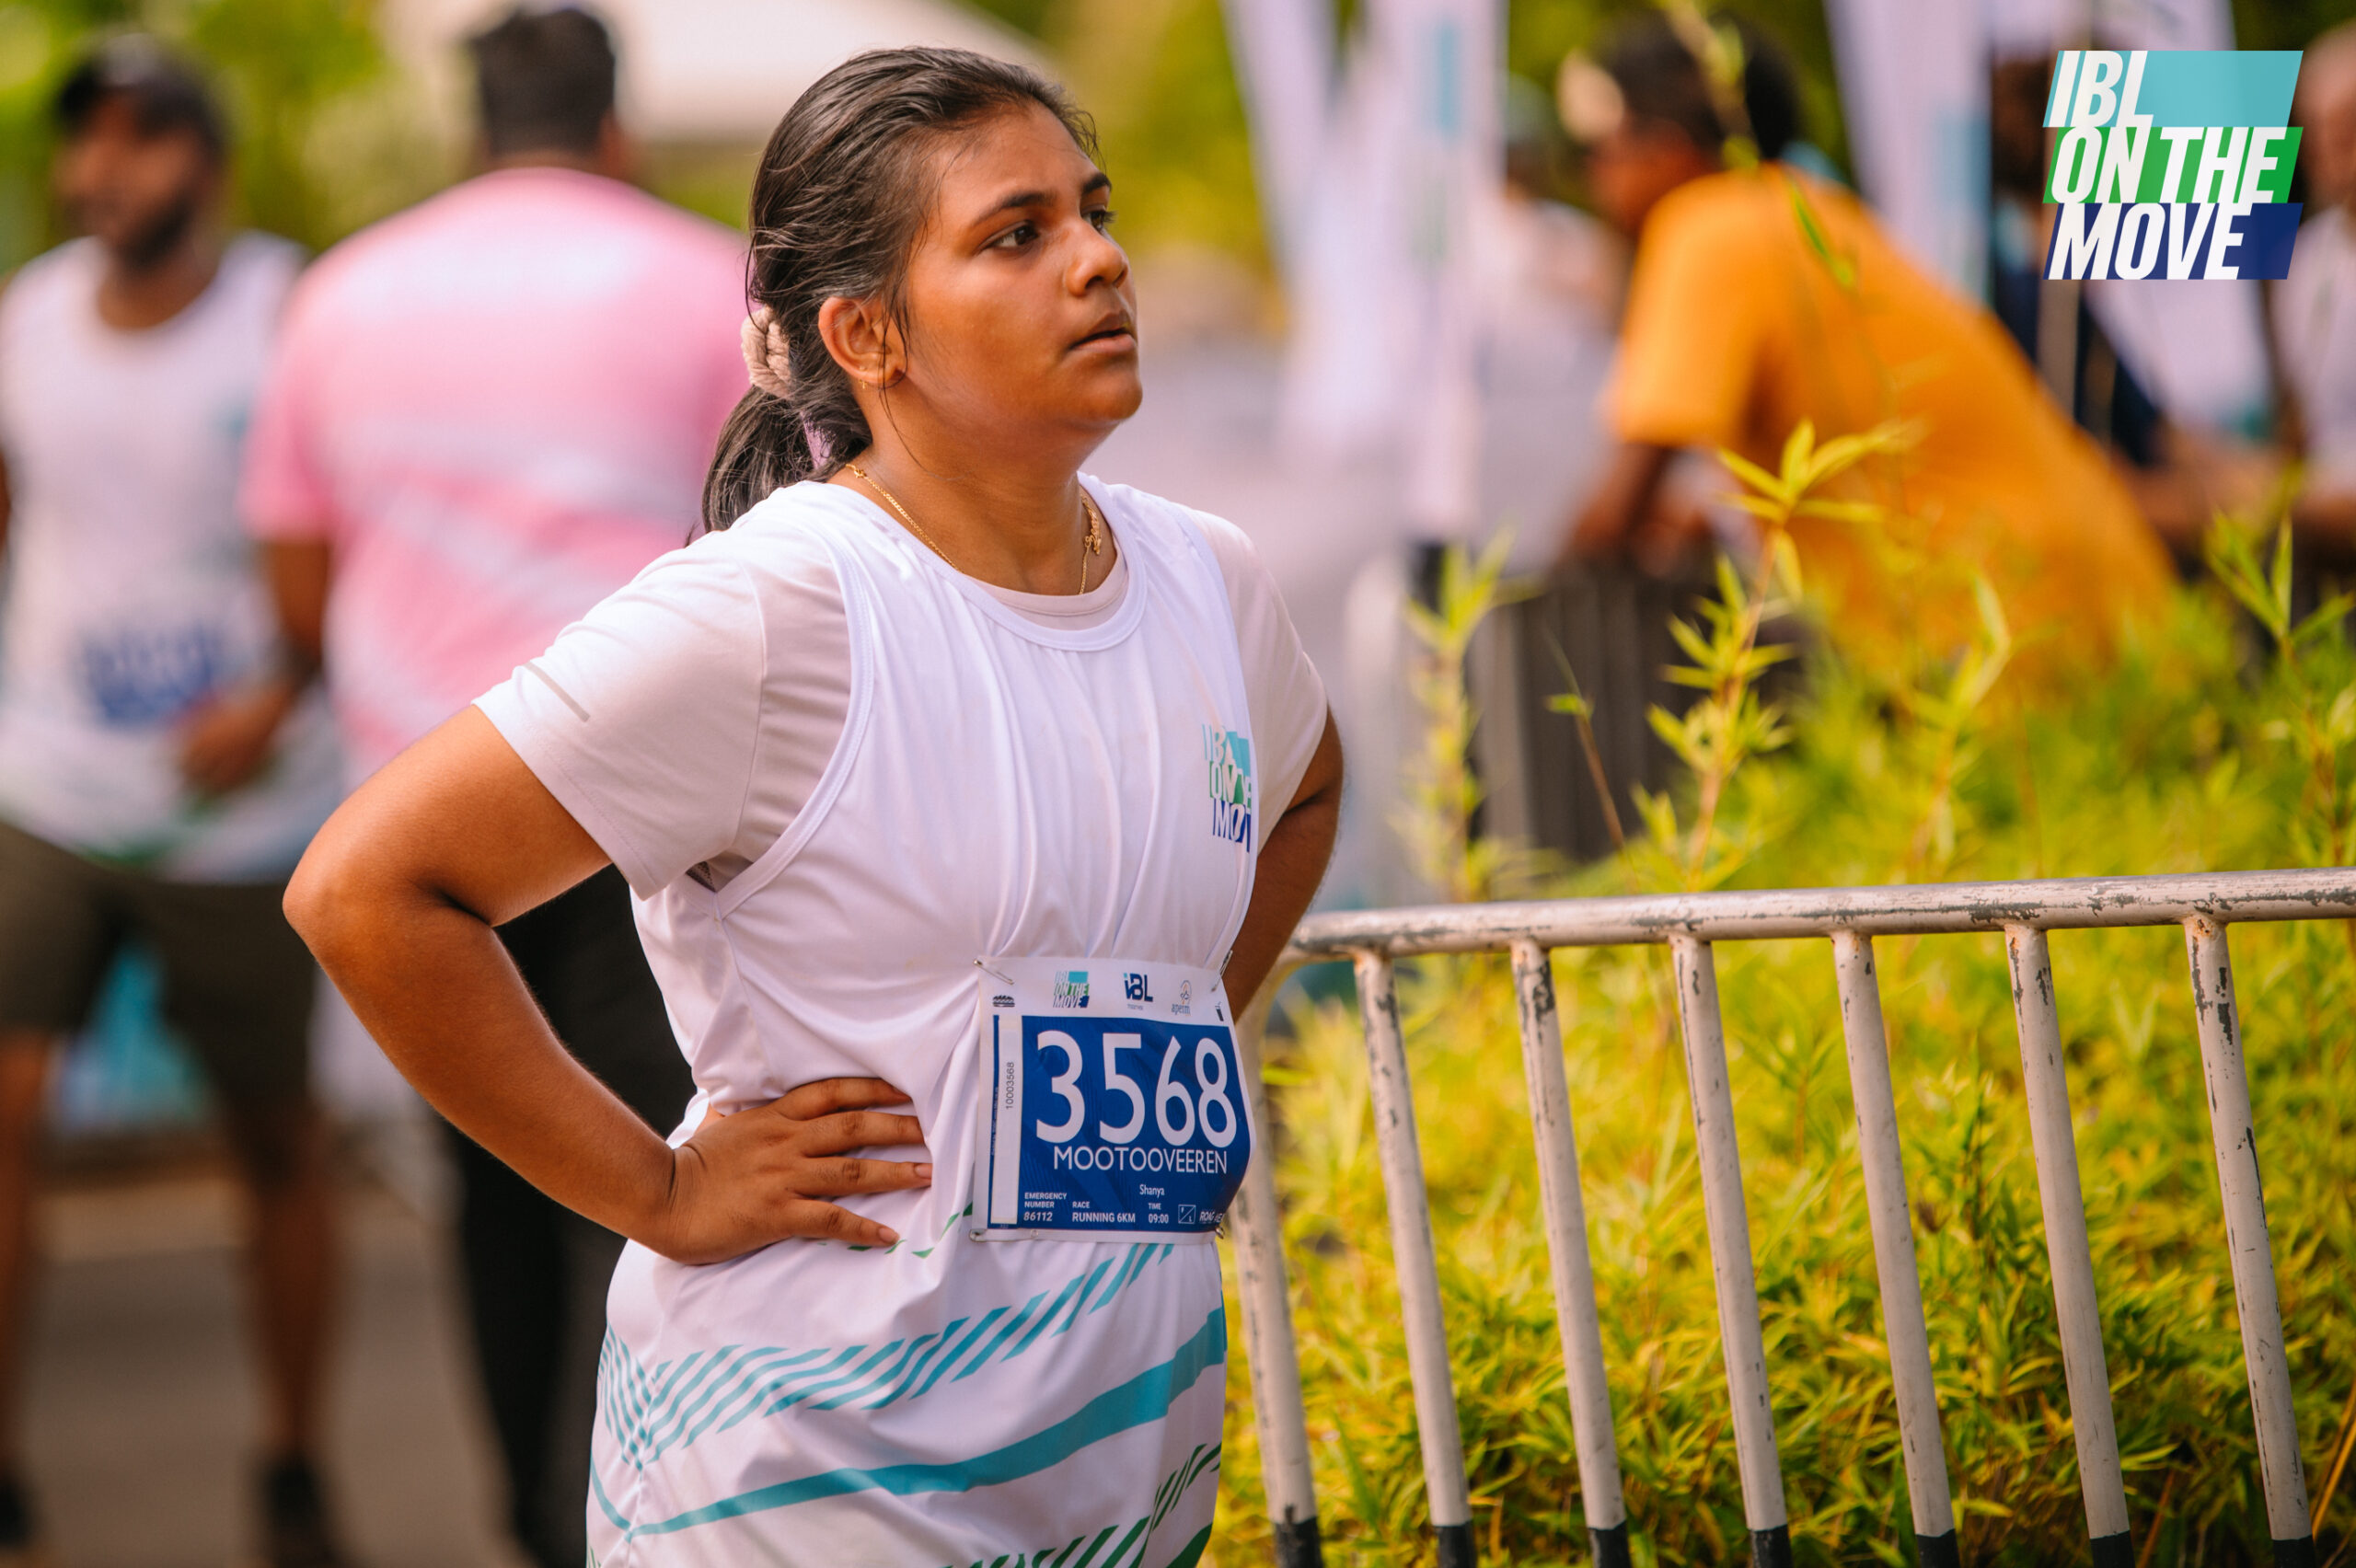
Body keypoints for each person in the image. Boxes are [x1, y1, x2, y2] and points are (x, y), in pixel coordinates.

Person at [285, 45, 1343, 1565]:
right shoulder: (773, 609)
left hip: (1121, 1476)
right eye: (1017, 234)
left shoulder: (1207, 579)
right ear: (866, 335)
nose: (1099, 260)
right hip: (803, 1479)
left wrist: (1177, 1008)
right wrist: (658, 1188)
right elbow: (367, 889)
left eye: (1092, 212)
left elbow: (1306, 787)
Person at [236, 9, 745, 1564]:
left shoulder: (341, 293)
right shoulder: (707, 276)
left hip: (422, 815)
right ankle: (639, 1518)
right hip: (640, 799)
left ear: (472, 130)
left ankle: (532, 1514)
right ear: (615, 129)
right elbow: (776, 535)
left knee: (497, 1173)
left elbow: (295, 566)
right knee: (660, 1161)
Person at [0, 39, 347, 1568]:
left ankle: (294, 1464)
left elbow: (348, 519)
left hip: (248, 810)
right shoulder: (27, 321)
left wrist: (277, 694)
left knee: (277, 1144)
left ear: (208, 164)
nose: (105, 168)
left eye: (143, 137)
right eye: (87, 140)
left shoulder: (289, 313)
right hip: (51, 785)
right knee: (5, 1112)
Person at [1556, 14, 2174, 672]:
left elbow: (1618, 511)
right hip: (2100, 602)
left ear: (1669, 148)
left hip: (2009, 632)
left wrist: (1536, 608)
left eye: (1597, 150)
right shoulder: (1809, 212)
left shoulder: (1709, 228)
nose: (1591, 177)